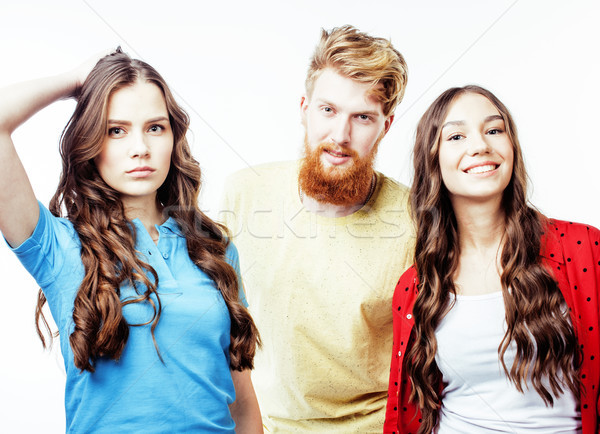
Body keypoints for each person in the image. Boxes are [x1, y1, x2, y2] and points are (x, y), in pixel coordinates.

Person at [0, 49, 262, 433]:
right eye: (116, 130)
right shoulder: (58, 246)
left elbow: (242, 401)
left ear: (174, 138)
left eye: (155, 127)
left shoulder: (214, 248)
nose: (140, 148)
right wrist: (76, 80)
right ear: (91, 142)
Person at [221, 25, 413, 432]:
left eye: (362, 117)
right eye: (328, 110)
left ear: (386, 125)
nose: (340, 136)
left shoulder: (417, 218)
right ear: (304, 108)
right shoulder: (243, 193)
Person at [384, 85, 600, 433]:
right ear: (433, 159)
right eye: (456, 136)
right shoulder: (415, 287)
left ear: (511, 146)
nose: (480, 145)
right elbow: (404, 412)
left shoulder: (584, 248)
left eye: (494, 130)